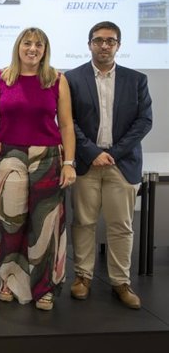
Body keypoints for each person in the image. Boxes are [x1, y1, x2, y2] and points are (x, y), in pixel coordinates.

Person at [0, 27, 76, 311]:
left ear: (45, 50)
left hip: (47, 157)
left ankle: (44, 288)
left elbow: (67, 125)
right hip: (8, 154)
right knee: (8, 223)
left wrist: (69, 163)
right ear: (18, 47)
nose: (32, 48)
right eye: (27, 43)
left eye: (39, 44)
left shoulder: (57, 80)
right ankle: (7, 282)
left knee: (45, 227)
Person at [65, 21, 152, 309]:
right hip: (86, 164)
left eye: (110, 41)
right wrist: (92, 152)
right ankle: (82, 277)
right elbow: (68, 122)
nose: (104, 45)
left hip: (122, 164)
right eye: (99, 40)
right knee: (84, 223)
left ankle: (120, 282)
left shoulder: (136, 80)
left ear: (118, 45)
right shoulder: (72, 79)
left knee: (121, 226)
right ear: (89, 43)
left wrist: (113, 152)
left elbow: (144, 122)